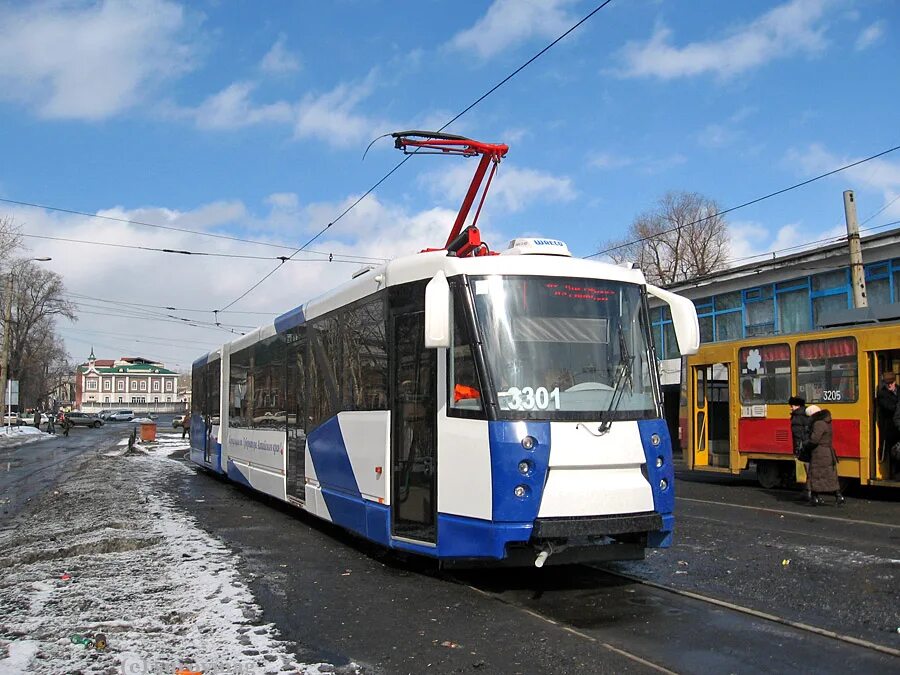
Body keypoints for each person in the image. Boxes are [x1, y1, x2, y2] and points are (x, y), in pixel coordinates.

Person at [803, 404, 844, 506]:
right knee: (828, 476)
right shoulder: (826, 422)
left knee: (816, 475)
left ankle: (815, 498)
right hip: (827, 453)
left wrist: (806, 444)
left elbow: (814, 439)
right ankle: (837, 496)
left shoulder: (818, 424)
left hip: (820, 453)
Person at [788, 395, 811, 499]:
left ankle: (808, 492)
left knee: (803, 470)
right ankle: (809, 491)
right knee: (808, 469)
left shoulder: (797, 416)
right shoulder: (806, 414)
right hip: (807, 445)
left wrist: (797, 449)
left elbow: (797, 434)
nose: (791, 408)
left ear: (797, 406)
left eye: (792, 405)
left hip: (801, 447)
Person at [876, 371, 898, 466]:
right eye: (887, 383)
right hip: (890, 427)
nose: (889, 385)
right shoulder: (882, 394)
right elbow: (890, 407)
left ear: (895, 382)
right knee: (894, 451)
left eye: (891, 383)